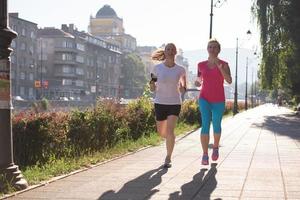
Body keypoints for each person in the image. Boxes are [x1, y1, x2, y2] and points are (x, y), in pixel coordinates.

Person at [195, 38, 232, 165]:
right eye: (210, 47)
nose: (212, 49)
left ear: (219, 50)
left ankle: (215, 147)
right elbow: (199, 79)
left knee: (216, 124)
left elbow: (229, 80)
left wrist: (220, 67)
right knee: (205, 124)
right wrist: (197, 82)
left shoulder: (225, 64)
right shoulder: (200, 65)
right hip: (204, 98)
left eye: (215, 47)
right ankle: (205, 154)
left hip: (218, 99)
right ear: (207, 49)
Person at [149, 43, 187, 168]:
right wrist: (152, 86)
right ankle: (170, 139)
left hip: (174, 103)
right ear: (164, 52)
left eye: (173, 49)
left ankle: (168, 157)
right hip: (160, 102)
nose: (170, 51)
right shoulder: (157, 68)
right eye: (168, 49)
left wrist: (182, 88)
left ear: (176, 52)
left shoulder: (181, 70)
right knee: (162, 132)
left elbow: (183, 87)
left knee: (170, 131)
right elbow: (152, 86)